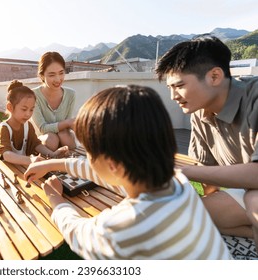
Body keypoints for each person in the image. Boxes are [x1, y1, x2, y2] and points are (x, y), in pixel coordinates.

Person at [24, 85, 232, 260]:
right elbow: (109, 177)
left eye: (89, 153)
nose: (87, 159)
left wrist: (56, 200)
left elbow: (78, 234)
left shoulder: (125, 225)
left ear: (113, 165)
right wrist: (51, 165)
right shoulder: (174, 182)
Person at [155, 34, 258, 253]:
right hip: (250, 191)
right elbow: (206, 171)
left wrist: (183, 171)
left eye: (179, 85)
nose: (173, 96)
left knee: (254, 201)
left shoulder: (254, 99)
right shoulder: (200, 113)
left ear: (214, 76)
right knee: (192, 212)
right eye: (170, 88)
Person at [0, 80, 68, 166]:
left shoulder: (28, 126)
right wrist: (31, 160)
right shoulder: (4, 128)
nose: (28, 114)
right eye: (24, 109)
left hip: (20, 167)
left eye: (31, 109)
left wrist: (53, 154)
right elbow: (6, 155)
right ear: (10, 107)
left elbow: (36, 144)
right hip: (4, 168)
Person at [31, 51, 76, 151]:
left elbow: (66, 128)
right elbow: (42, 128)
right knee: (51, 140)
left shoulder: (71, 94)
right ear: (42, 76)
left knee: (65, 136)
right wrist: (67, 123)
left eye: (61, 73)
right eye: (52, 75)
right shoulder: (33, 95)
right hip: (45, 139)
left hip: (64, 137)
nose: (58, 79)